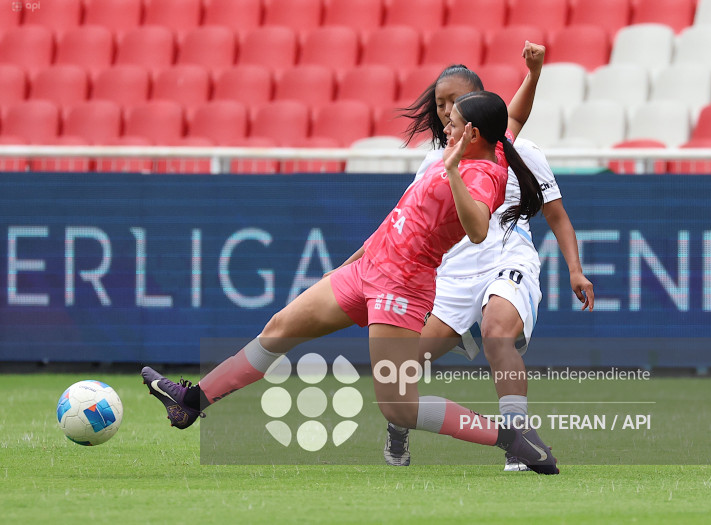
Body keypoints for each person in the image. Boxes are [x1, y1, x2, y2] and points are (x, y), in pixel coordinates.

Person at [142, 88, 560, 474]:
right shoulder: (490, 146)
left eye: (452, 122)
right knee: (279, 328)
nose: (444, 125)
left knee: (399, 408)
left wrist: (452, 172)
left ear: (472, 132)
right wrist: (533, 74)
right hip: (366, 270)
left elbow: (478, 230)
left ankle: (512, 438)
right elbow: (511, 118)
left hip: (403, 287)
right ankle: (191, 402)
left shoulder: (482, 172)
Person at [377, 53, 595, 471]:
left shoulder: (517, 151)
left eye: (453, 102)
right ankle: (399, 423)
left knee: (498, 333)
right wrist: (356, 265)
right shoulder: (433, 163)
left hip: (505, 259)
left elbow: (557, 215)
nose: (444, 112)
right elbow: (399, 226)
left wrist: (574, 268)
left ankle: (516, 439)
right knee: (401, 368)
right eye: (439, 104)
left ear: (477, 103)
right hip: (453, 274)